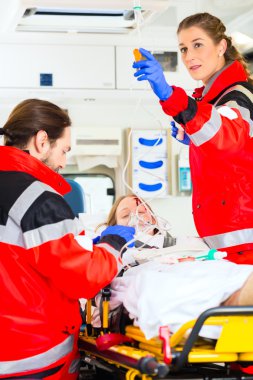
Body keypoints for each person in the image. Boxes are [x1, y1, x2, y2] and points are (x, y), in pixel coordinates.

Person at [0, 99, 135, 380]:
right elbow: (83, 277)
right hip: (32, 356)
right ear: (41, 141)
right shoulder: (39, 199)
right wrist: (112, 244)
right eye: (64, 150)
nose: (64, 161)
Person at [132, 12, 253, 265]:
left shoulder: (237, 96)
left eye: (198, 45)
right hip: (229, 245)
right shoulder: (214, 100)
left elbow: (226, 138)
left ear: (221, 46)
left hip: (243, 244)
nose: (189, 57)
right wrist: (194, 139)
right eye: (184, 49)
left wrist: (169, 94)